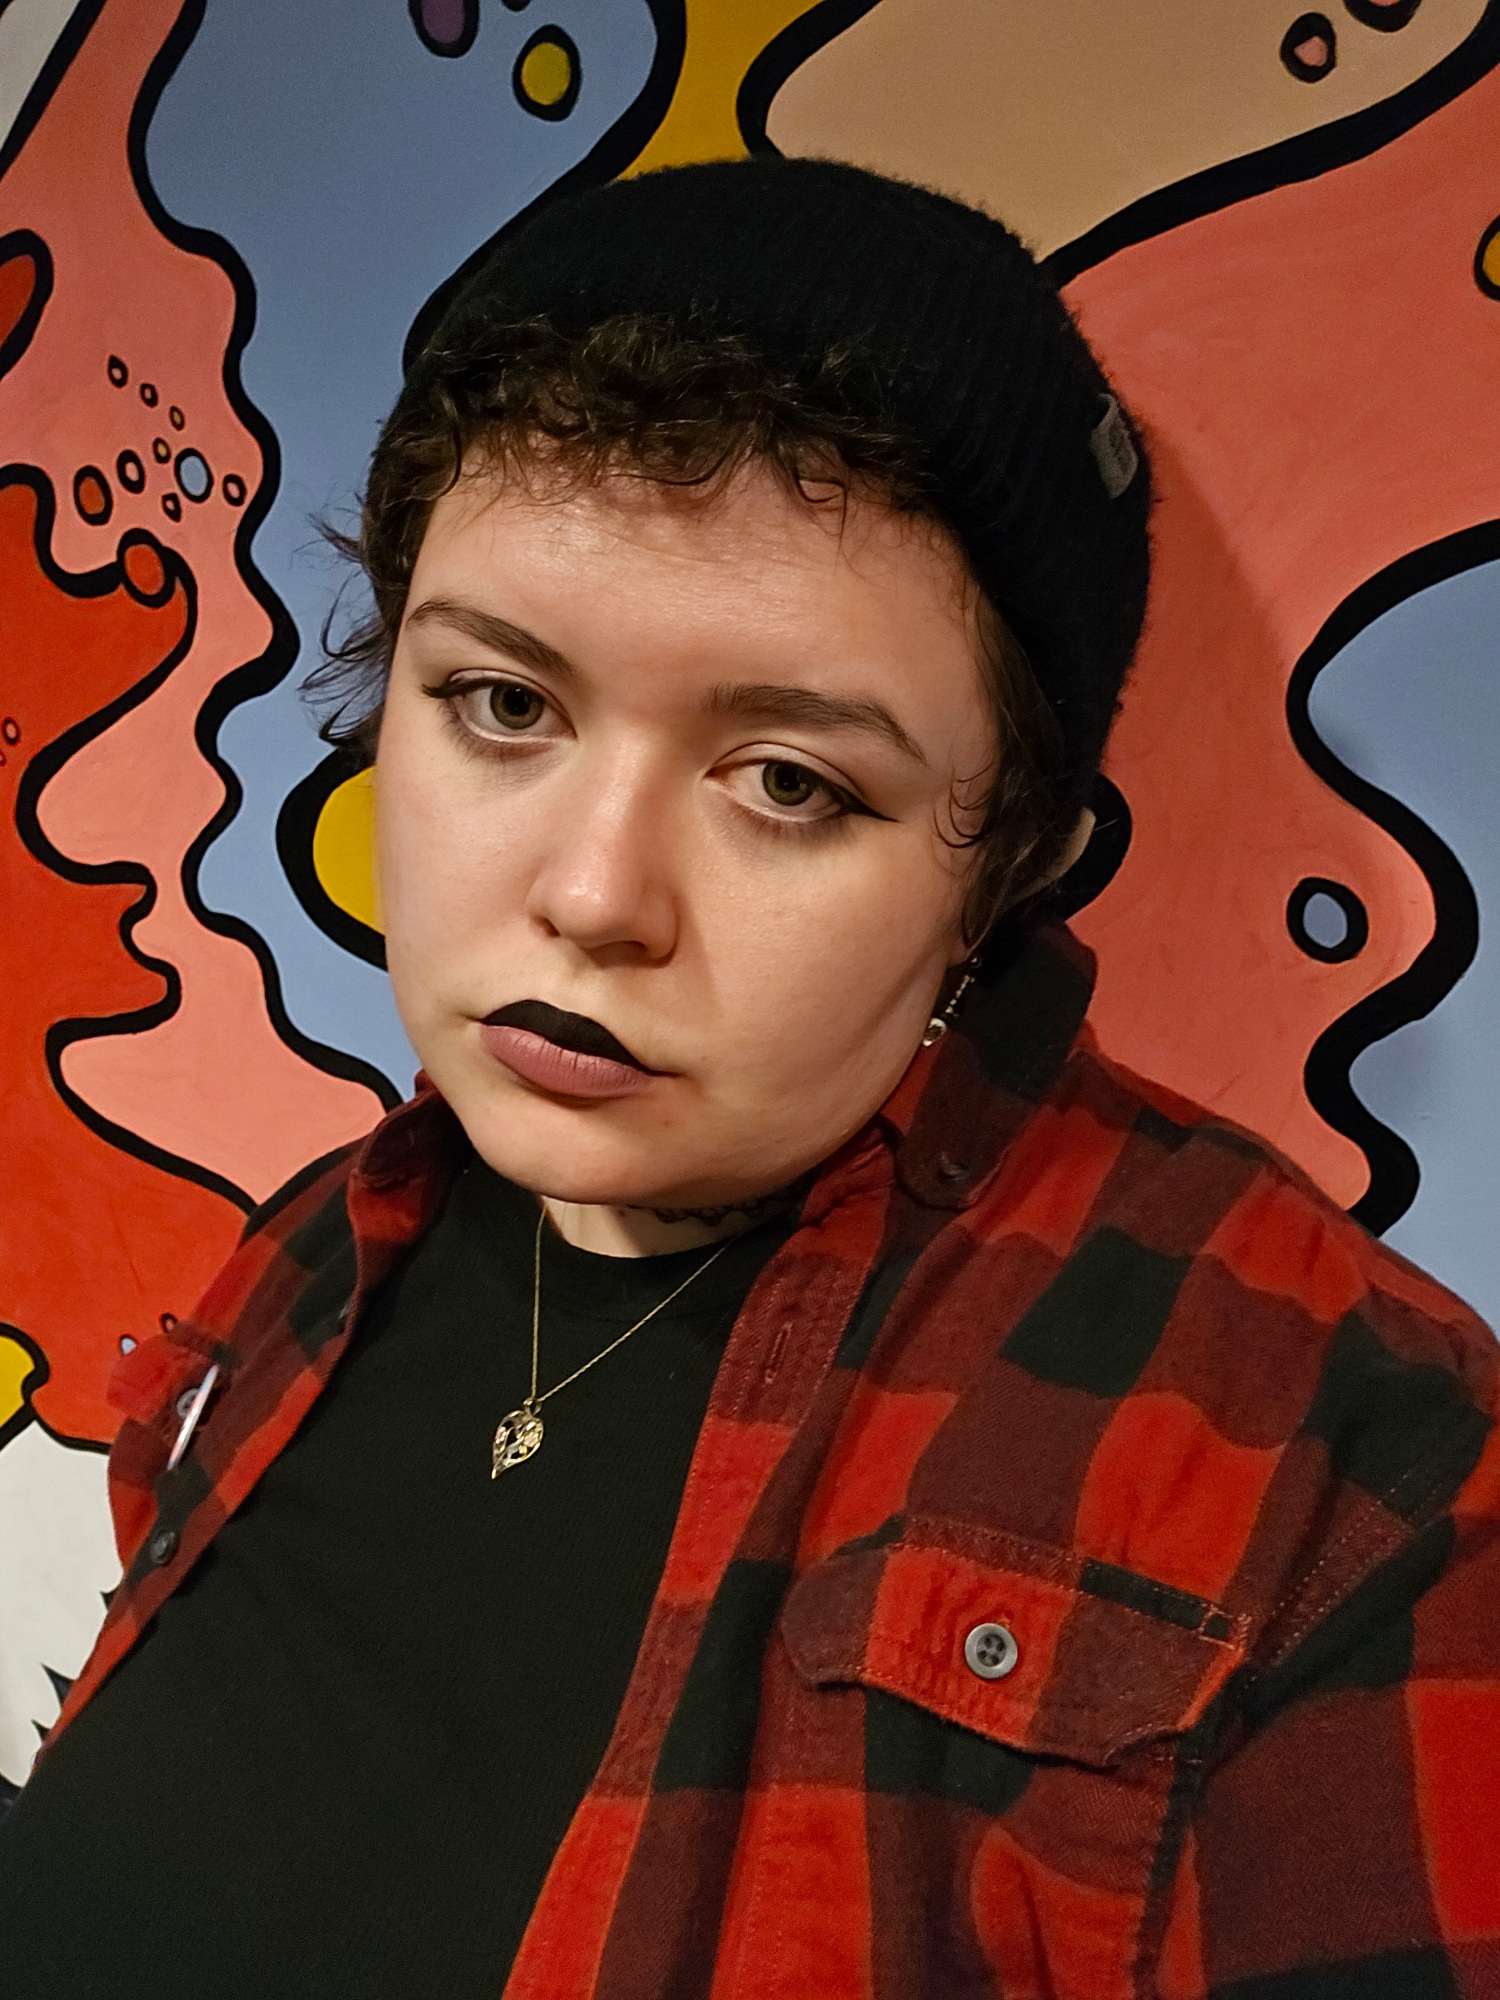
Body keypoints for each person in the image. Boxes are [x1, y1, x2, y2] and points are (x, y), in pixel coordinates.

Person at [3, 157, 1497, 1998]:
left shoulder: (1358, 1478)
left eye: (791, 782)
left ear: (1006, 862)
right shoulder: (325, 1248)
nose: (592, 895)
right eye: (502, 704)